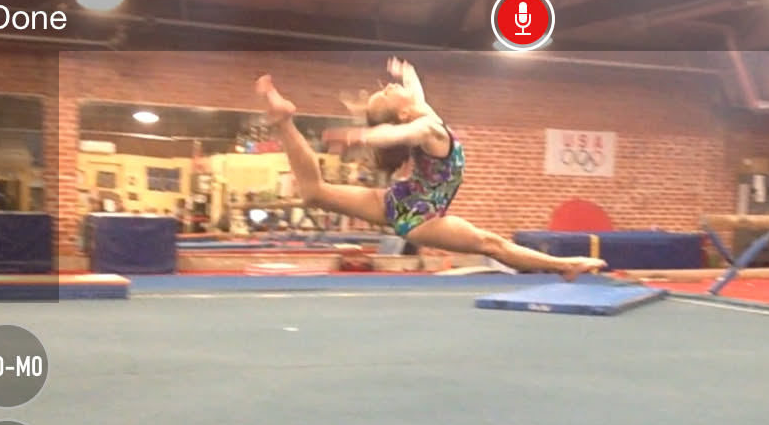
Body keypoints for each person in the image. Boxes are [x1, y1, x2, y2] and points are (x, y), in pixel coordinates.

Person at [255, 58, 606, 280]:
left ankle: (283, 122)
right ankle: (566, 265)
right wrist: (360, 136)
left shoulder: (423, 112)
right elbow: (398, 133)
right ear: (403, 112)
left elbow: (414, 94)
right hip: (423, 218)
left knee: (315, 192)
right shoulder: (427, 129)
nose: (389, 87)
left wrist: (406, 74)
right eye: (387, 94)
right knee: (491, 244)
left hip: (398, 201)